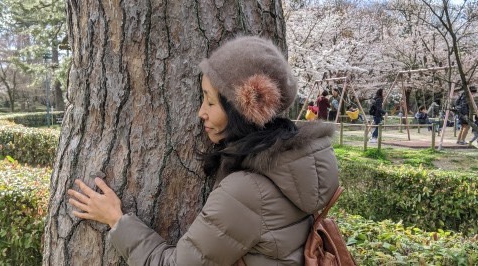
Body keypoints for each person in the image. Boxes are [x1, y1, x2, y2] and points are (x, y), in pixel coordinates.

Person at [67, 36, 339, 265]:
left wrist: (116, 220)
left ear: (240, 111)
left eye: (210, 102)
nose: (201, 113)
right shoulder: (296, 164)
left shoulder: (247, 192)